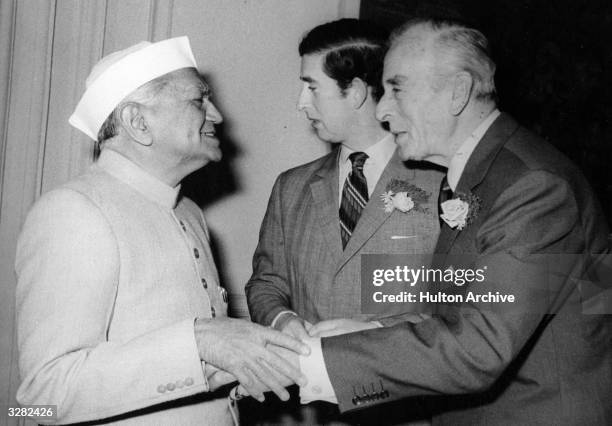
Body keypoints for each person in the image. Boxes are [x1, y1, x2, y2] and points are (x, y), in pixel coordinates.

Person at [271, 17, 611, 425]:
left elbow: (480, 347)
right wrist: (367, 332)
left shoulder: (534, 186)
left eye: (396, 88)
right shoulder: (488, 173)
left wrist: (310, 365)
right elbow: (472, 309)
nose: (381, 108)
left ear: (458, 92)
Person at [14, 36, 309, 425]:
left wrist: (228, 366)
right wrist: (201, 342)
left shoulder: (189, 213)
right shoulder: (74, 211)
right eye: (198, 100)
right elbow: (41, 396)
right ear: (138, 122)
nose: (218, 115)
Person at [245, 19, 442, 425]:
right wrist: (282, 319)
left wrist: (372, 336)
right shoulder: (291, 187)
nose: (301, 102)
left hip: (401, 412)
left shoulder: (441, 186)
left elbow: (464, 312)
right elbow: (265, 283)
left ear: (353, 91)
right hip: (305, 414)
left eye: (312, 86)